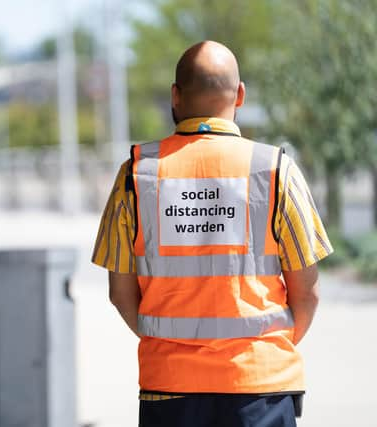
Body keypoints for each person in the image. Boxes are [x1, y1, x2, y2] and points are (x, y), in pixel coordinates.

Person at [91, 40, 333, 427]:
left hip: (168, 387)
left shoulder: (136, 176)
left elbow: (120, 294)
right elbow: (308, 292)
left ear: (175, 95)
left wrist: (169, 345)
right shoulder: (275, 170)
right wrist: (262, 350)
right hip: (261, 387)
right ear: (239, 95)